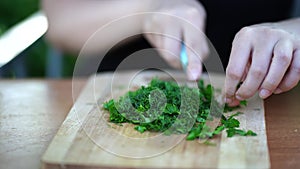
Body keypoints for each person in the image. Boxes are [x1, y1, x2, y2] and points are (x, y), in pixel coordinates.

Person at [42, 0, 300, 106]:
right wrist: (151, 6)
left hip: (269, 99)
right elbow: (62, 23)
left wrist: (294, 30)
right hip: (113, 90)